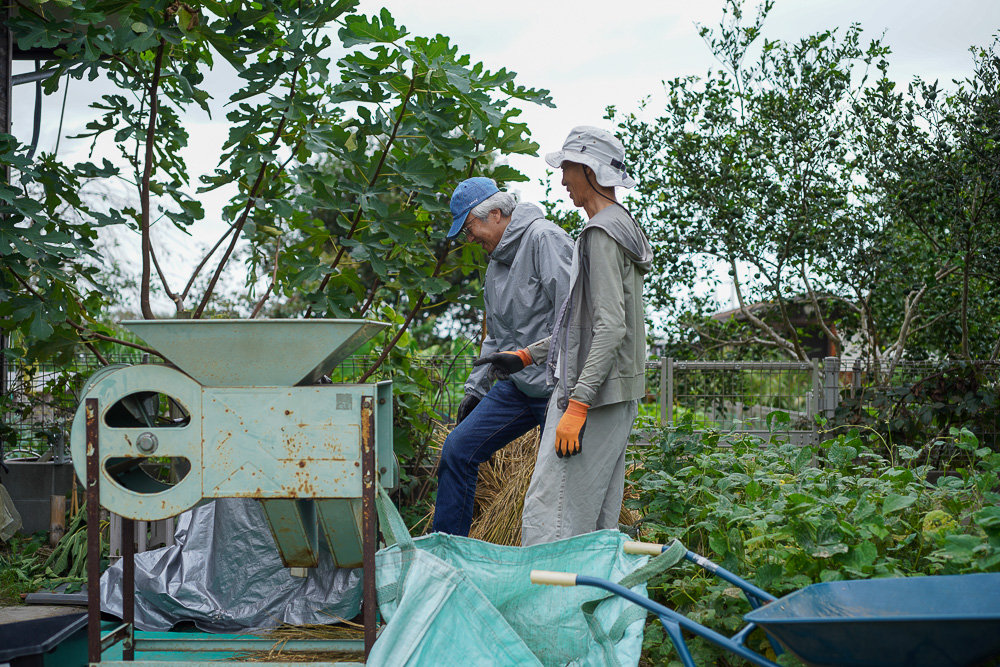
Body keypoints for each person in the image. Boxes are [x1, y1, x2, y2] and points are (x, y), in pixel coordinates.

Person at [476, 127, 653, 546]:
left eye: (568, 168)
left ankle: (547, 610)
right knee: (594, 517)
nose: (562, 180)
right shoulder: (620, 226)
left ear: (590, 169)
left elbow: (610, 327)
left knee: (550, 516)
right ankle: (590, 606)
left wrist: (577, 404)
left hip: (591, 398)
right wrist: (526, 355)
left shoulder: (599, 235)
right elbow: (582, 323)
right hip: (615, 395)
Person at [432, 177, 573, 536]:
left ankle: (556, 564)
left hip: (558, 390)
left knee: (554, 484)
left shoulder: (545, 240)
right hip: (519, 388)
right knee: (457, 450)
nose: (469, 238)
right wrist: (475, 390)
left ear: (495, 214)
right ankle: (447, 553)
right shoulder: (496, 265)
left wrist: (535, 361)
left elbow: (573, 317)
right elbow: (495, 335)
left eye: (469, 228)